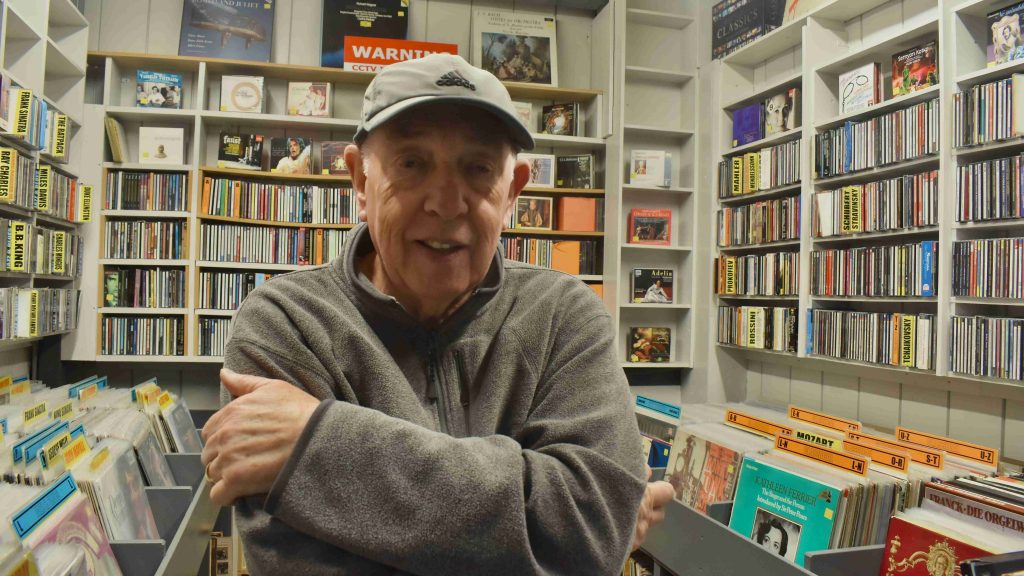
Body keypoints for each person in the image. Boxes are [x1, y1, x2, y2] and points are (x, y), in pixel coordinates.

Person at [200, 53, 673, 575]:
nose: (447, 203)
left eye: (477, 169)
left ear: (513, 188)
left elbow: (589, 527)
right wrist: (545, 532)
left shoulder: (566, 316)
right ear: (359, 179)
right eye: (412, 164)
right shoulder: (285, 324)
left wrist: (320, 448)